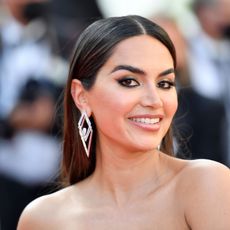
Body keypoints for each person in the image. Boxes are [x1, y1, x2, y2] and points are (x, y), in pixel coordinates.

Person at [17, 15, 230, 229]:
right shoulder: (43, 218)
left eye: (164, 83)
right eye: (129, 81)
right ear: (81, 96)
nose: (154, 100)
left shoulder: (206, 184)